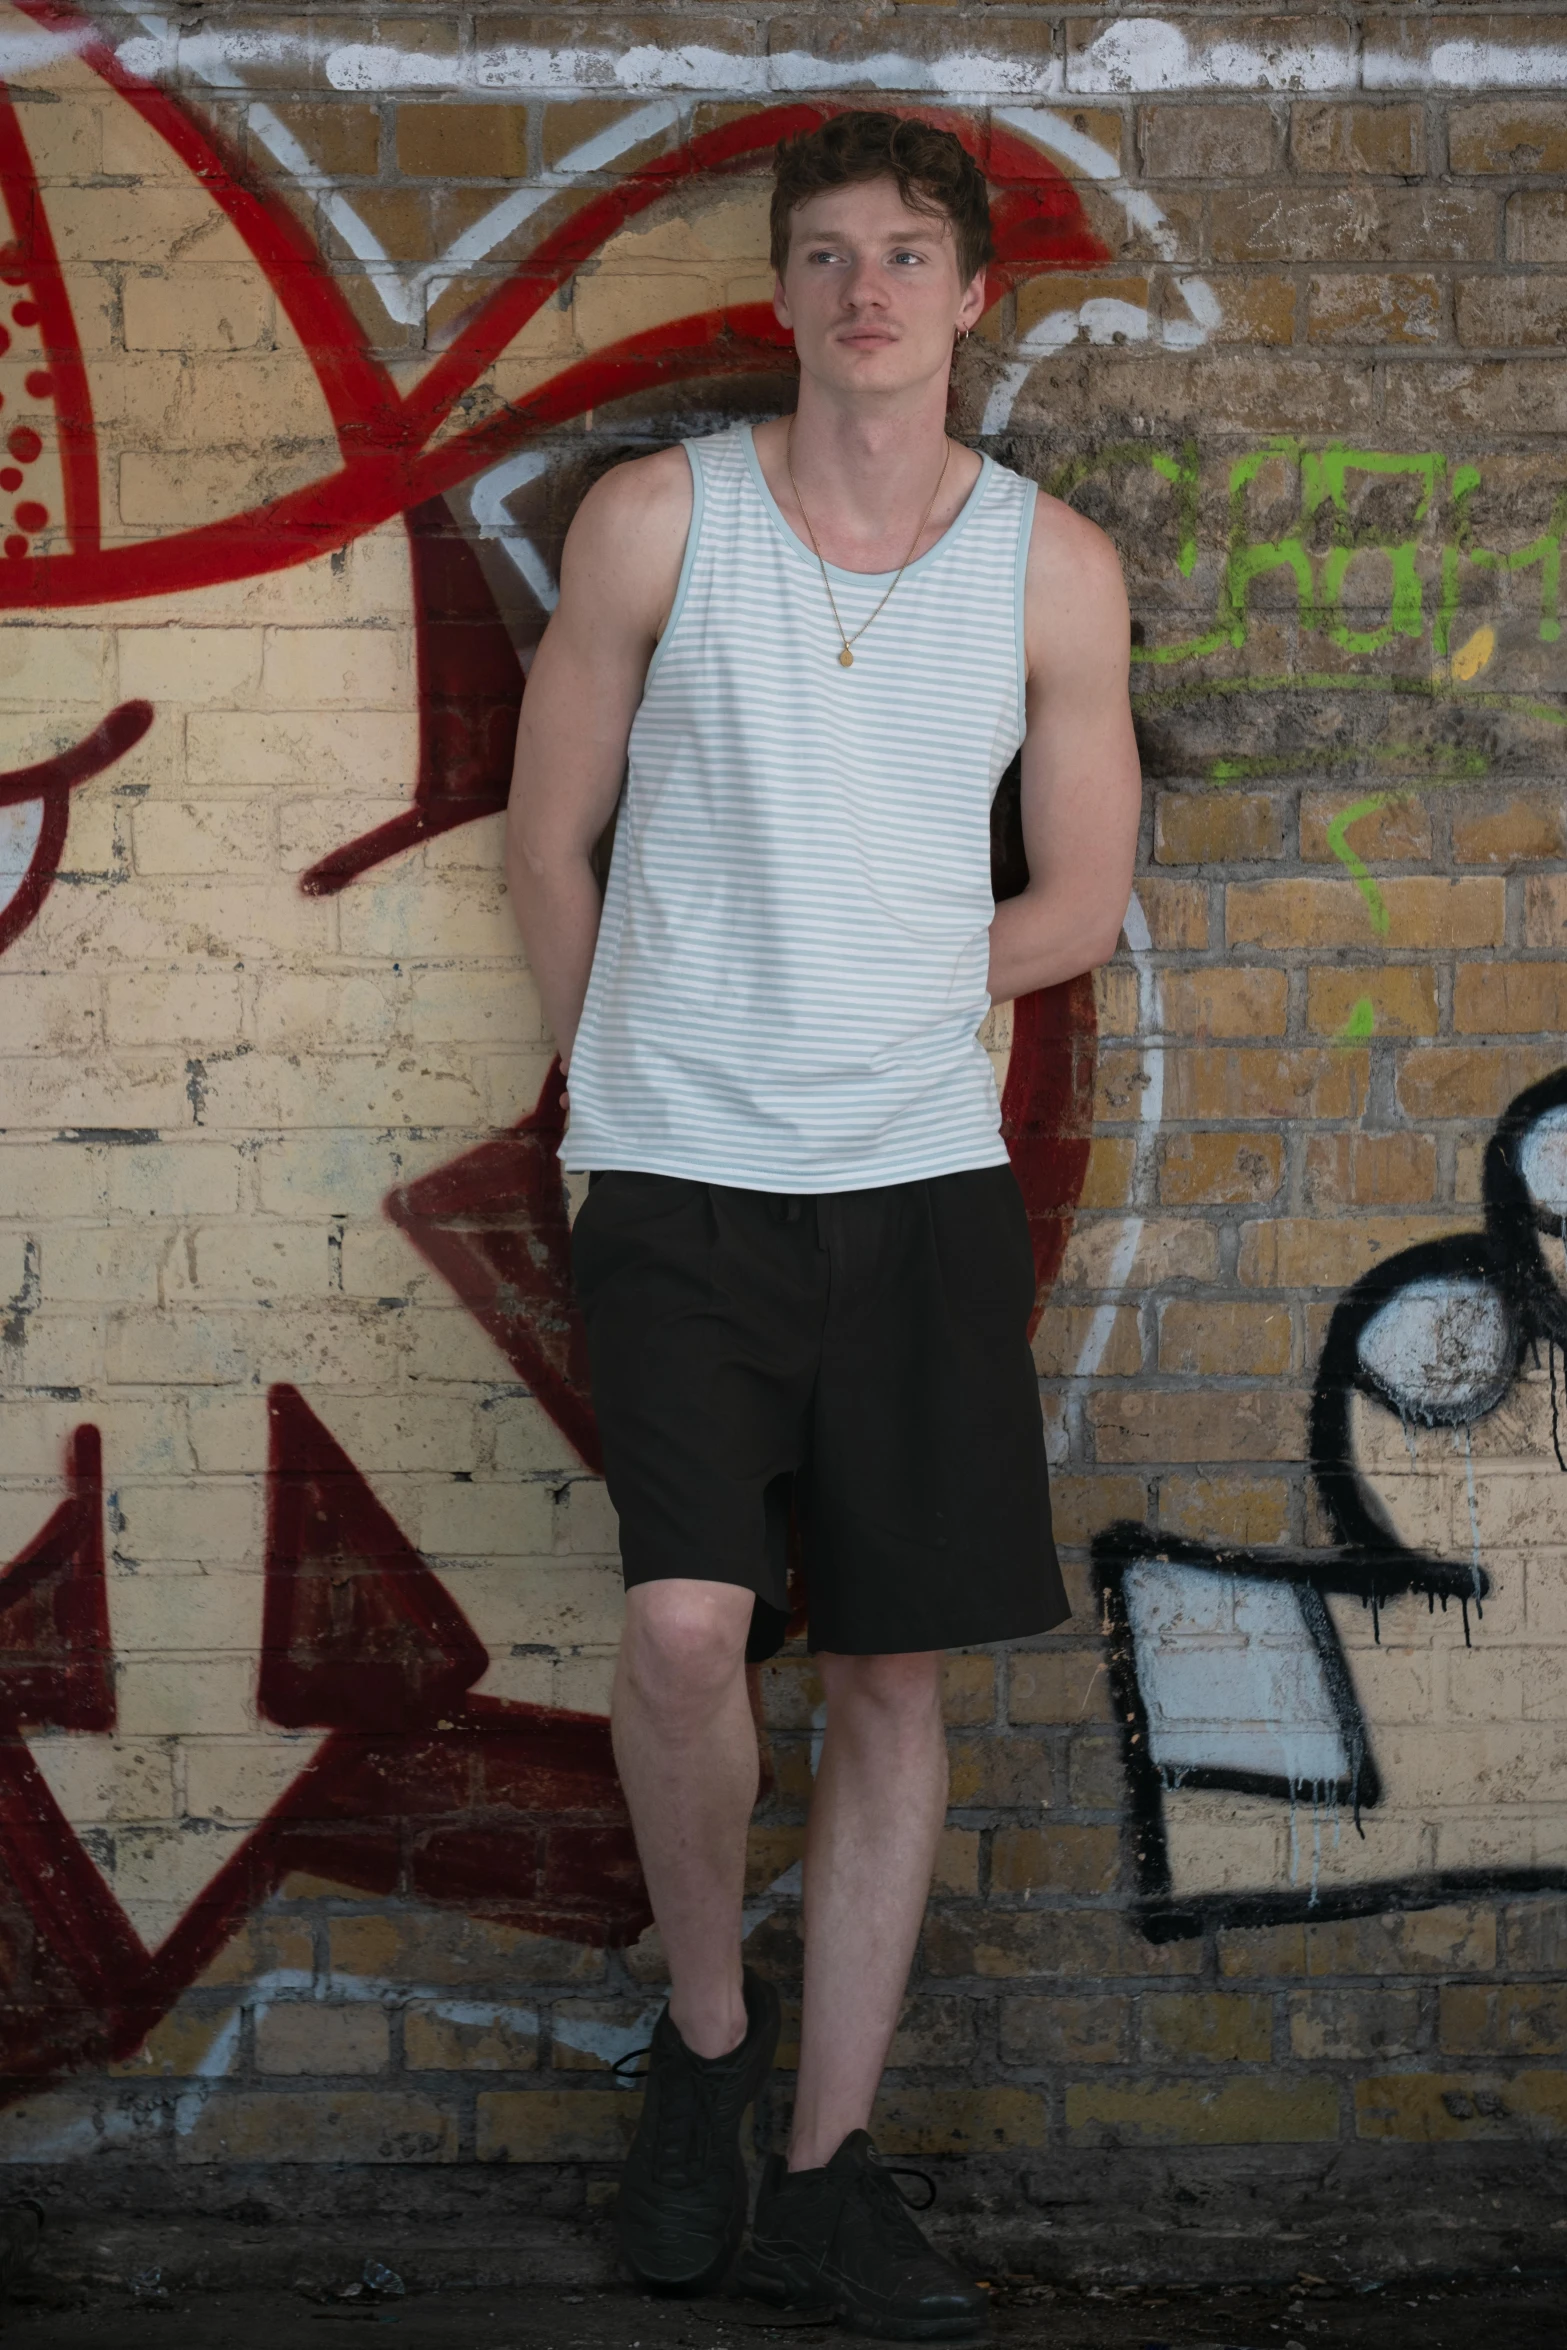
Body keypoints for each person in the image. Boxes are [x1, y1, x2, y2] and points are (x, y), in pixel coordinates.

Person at [506, 109, 1140, 2341]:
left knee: (886, 1667)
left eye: (906, 255)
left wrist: (917, 964)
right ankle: (706, 2048)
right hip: (680, 1175)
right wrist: (620, 1076)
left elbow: (1081, 889)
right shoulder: (660, 523)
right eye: (825, 256)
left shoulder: (1050, 569)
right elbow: (549, 838)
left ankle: (826, 2165)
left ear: (972, 299)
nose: (865, 289)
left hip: (918, 1187)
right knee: (687, 1633)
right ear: (781, 297)